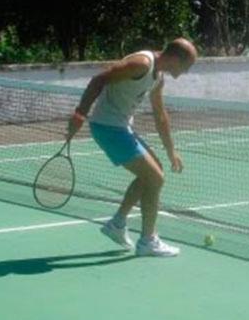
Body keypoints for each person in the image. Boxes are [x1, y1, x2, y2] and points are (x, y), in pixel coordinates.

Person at [67, 38, 198, 257]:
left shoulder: (158, 78)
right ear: (176, 59)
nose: (186, 71)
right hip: (108, 127)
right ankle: (148, 241)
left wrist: (171, 151)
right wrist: (80, 113)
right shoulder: (142, 64)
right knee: (155, 178)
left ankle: (117, 224)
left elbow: (160, 115)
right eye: (187, 66)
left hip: (121, 127)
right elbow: (99, 79)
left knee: (154, 172)